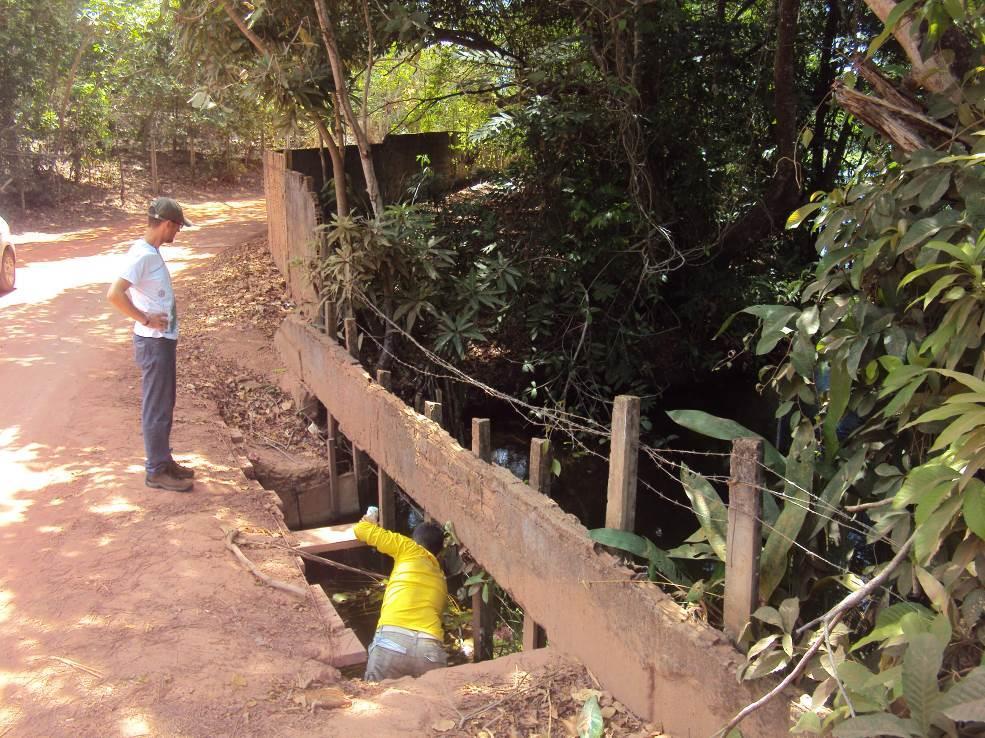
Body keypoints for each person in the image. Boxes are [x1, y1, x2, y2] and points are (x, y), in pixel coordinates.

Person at [106, 197, 194, 493]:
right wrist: (144, 318)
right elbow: (114, 294)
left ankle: (163, 461)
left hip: (162, 342)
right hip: (153, 342)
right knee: (156, 405)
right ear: (167, 224)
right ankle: (156, 470)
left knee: (164, 403)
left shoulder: (150, 252)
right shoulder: (142, 255)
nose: (177, 233)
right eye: (178, 227)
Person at [354, 508, 449, 681]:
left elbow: (361, 531)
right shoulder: (440, 579)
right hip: (429, 649)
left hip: (392, 642)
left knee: (378, 699)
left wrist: (370, 519)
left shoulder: (408, 547)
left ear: (414, 540)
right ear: (439, 553)